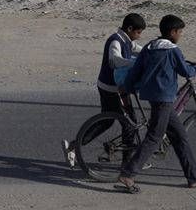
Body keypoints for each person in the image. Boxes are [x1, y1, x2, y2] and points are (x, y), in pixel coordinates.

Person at [116, 14, 196, 193]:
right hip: (164, 98)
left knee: (180, 136)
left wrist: (127, 87)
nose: (181, 35)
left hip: (153, 96)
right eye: (180, 31)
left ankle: (194, 177)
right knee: (154, 137)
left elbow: (136, 70)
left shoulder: (150, 47)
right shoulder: (173, 50)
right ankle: (128, 173)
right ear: (173, 32)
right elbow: (186, 71)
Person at [61, 13, 146, 168]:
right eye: (138, 33)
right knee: (129, 124)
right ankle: (128, 163)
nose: (139, 36)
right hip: (112, 88)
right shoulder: (116, 41)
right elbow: (114, 60)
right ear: (130, 28)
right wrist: (133, 64)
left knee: (107, 121)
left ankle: (73, 146)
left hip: (108, 86)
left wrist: (153, 53)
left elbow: (140, 50)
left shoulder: (127, 41)